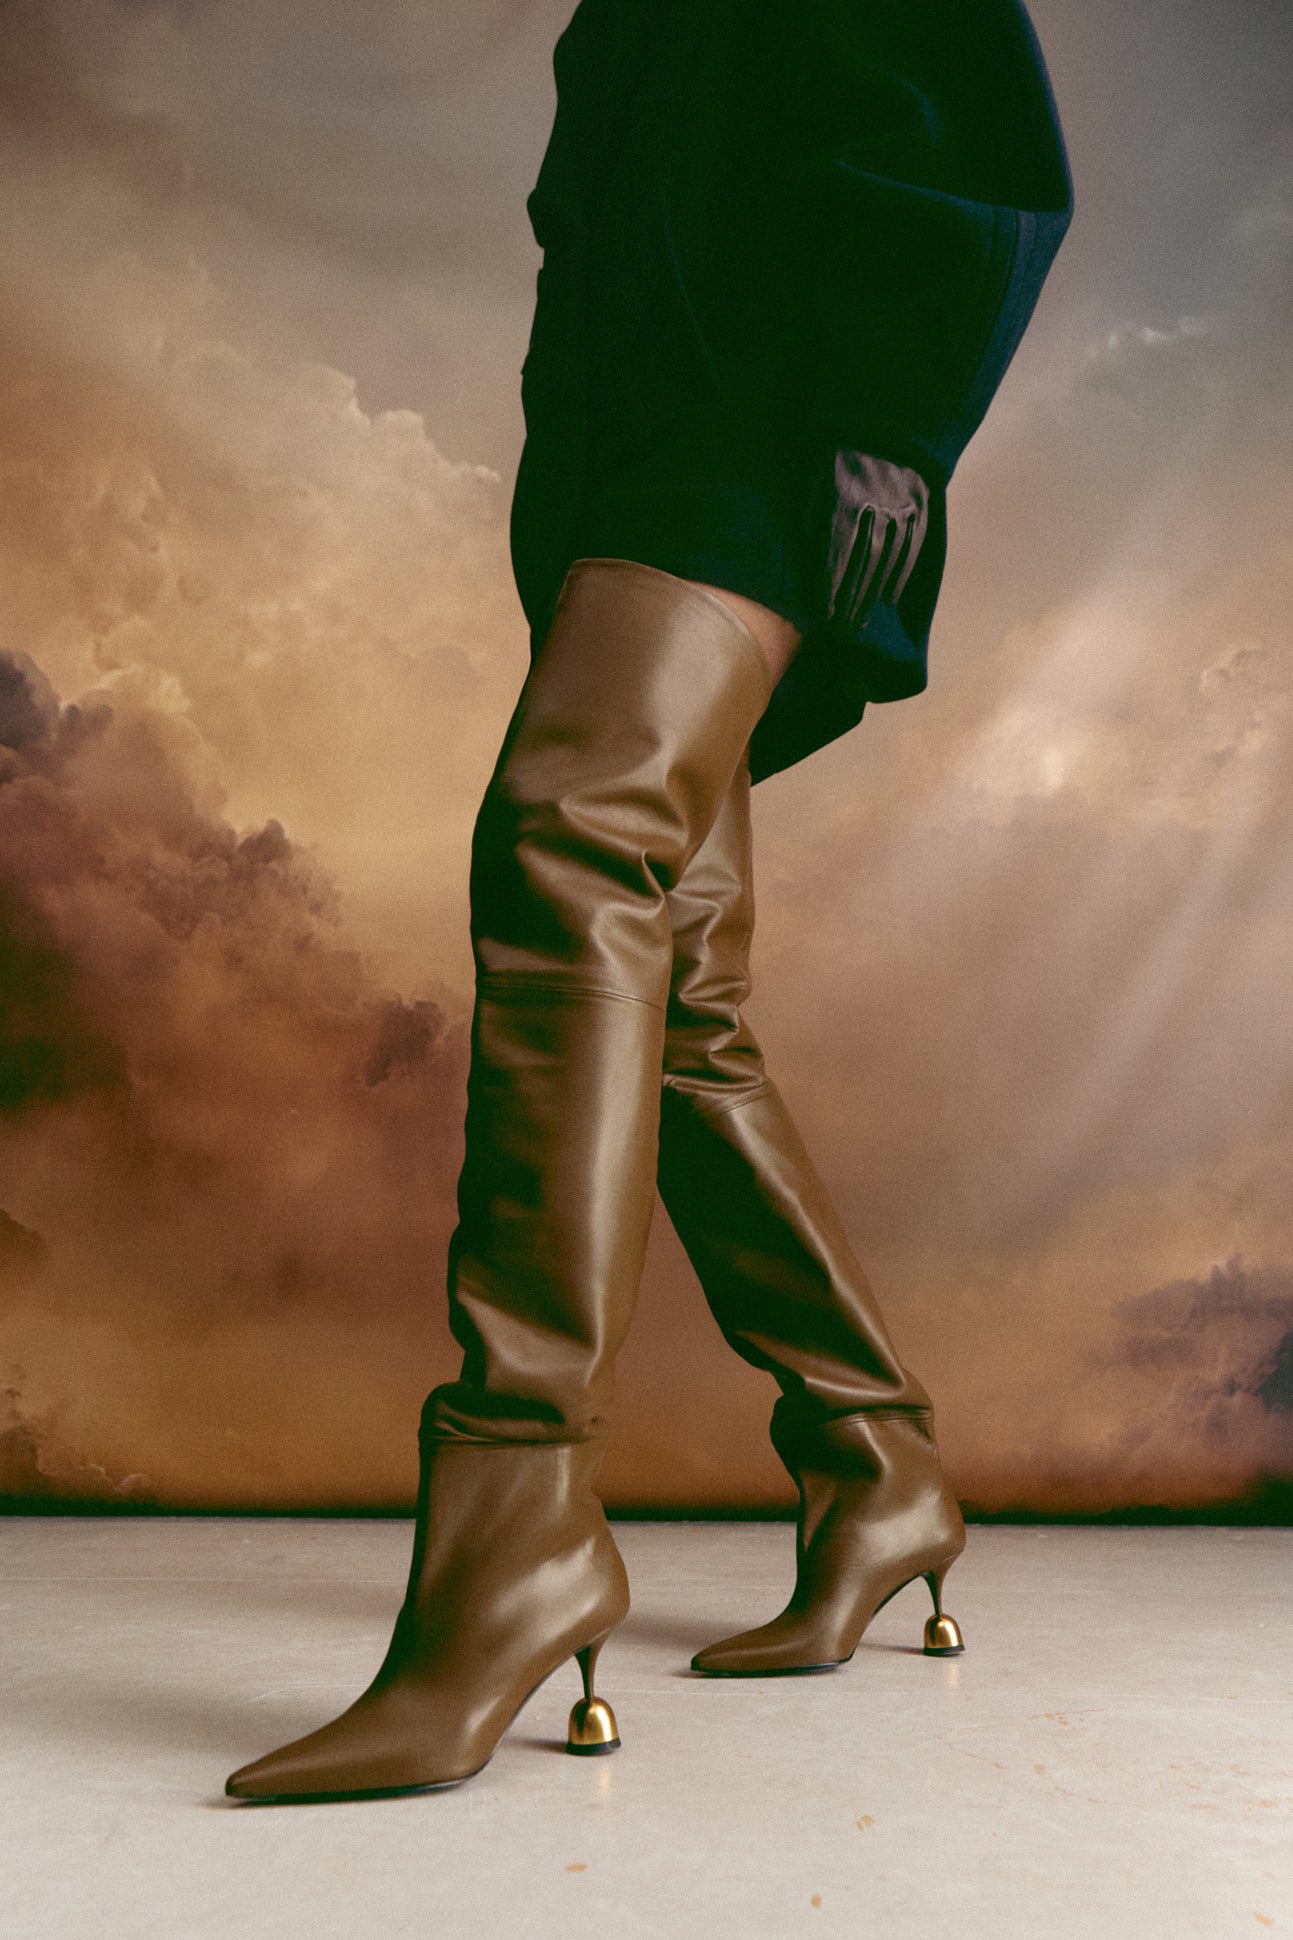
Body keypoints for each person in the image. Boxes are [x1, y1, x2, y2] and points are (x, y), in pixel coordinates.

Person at [226, 0, 1073, 1804]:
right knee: (674, 1000)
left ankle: (516, 1516)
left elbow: (976, 136)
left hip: (773, 433)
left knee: (568, 842)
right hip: (632, 463)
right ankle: (875, 1463)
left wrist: (887, 411)